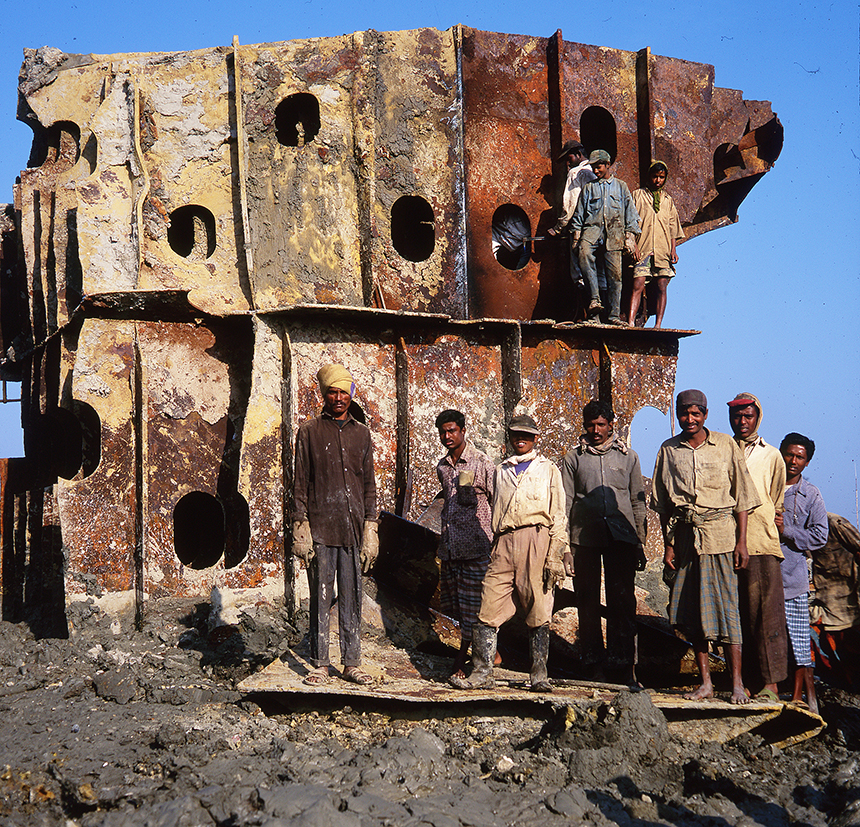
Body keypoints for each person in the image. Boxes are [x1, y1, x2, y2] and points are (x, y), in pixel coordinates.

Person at [651, 389, 760, 704]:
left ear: (706, 415)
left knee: (727, 611)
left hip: (720, 536)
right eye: (684, 414)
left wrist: (741, 542)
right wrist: (669, 546)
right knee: (694, 612)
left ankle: (737, 684)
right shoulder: (668, 450)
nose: (690, 419)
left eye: (696, 414)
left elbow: (742, 497)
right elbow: (662, 505)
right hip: (685, 540)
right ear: (677, 414)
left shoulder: (725, 445)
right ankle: (706, 684)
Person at [450, 414, 568, 693]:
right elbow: (494, 509)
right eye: (516, 434)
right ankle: (482, 671)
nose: (521, 439)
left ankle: (539, 674)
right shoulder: (501, 471)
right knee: (488, 606)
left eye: (526, 435)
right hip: (504, 542)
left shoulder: (547, 469)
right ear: (510, 438)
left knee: (538, 607)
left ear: (536, 438)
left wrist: (556, 552)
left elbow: (559, 513)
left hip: (536, 539)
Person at [292, 363, 378, 687]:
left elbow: (369, 484)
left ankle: (352, 663)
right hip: (321, 529)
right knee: (321, 596)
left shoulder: (362, 434)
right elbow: (300, 482)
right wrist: (301, 525)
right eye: (333, 391)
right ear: (324, 394)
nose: (338, 397)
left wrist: (372, 527)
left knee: (352, 598)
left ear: (350, 394)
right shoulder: (310, 432)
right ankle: (320, 664)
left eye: (343, 391)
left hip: (353, 530)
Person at [561, 400, 647, 685]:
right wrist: (567, 547)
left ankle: (624, 668)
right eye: (590, 425)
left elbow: (637, 501)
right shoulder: (574, 458)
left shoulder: (628, 457)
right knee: (587, 601)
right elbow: (566, 501)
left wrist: (640, 541)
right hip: (584, 539)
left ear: (611, 424)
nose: (596, 430)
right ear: (584, 426)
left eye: (601, 425)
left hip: (622, 538)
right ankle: (593, 665)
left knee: (622, 602)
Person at [728, 392, 788, 701]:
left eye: (747, 416)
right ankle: (747, 681)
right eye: (737, 416)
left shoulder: (771, 455)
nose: (742, 422)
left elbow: (775, 497)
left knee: (766, 614)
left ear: (757, 418)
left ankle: (771, 684)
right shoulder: (724, 449)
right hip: (729, 543)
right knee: (739, 614)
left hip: (762, 542)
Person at [435, 409, 496, 679]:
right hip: (451, 549)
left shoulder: (483, 463)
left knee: (476, 608)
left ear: (463, 431)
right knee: (458, 608)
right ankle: (492, 653)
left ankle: (463, 660)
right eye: (443, 432)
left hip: (476, 549)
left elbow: (498, 501)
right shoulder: (443, 467)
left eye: (452, 431)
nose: (448, 436)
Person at [776, 433, 828, 714]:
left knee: (797, 640)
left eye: (800, 457)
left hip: (793, 578)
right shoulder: (766, 485)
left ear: (807, 462)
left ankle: (799, 697)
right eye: (790, 454)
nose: (793, 461)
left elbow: (820, 535)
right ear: (781, 452)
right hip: (762, 575)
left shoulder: (811, 494)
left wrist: (789, 531)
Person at [571, 149, 640, 325]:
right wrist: (576, 237)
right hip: (592, 231)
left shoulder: (621, 187)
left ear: (608, 165)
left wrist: (630, 237)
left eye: (599, 167)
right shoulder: (588, 189)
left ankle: (614, 316)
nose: (595, 171)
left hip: (614, 234)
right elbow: (579, 215)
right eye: (593, 167)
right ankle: (595, 303)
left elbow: (631, 214)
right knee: (584, 254)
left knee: (615, 275)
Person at [628, 160, 685, 328]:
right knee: (638, 283)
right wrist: (633, 246)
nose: (658, 181)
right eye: (655, 176)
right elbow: (630, 221)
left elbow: (673, 227)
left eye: (661, 177)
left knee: (662, 285)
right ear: (649, 176)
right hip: (643, 248)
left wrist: (673, 250)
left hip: (662, 250)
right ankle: (631, 322)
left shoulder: (668, 200)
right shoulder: (637, 195)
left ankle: (658, 324)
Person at [547, 140, 597, 291]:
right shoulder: (595, 171)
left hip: (579, 228)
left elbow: (570, 205)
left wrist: (557, 228)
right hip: (596, 228)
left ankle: (584, 310)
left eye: (569, 159)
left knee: (579, 274)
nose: (568, 164)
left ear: (578, 155)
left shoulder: (575, 173)